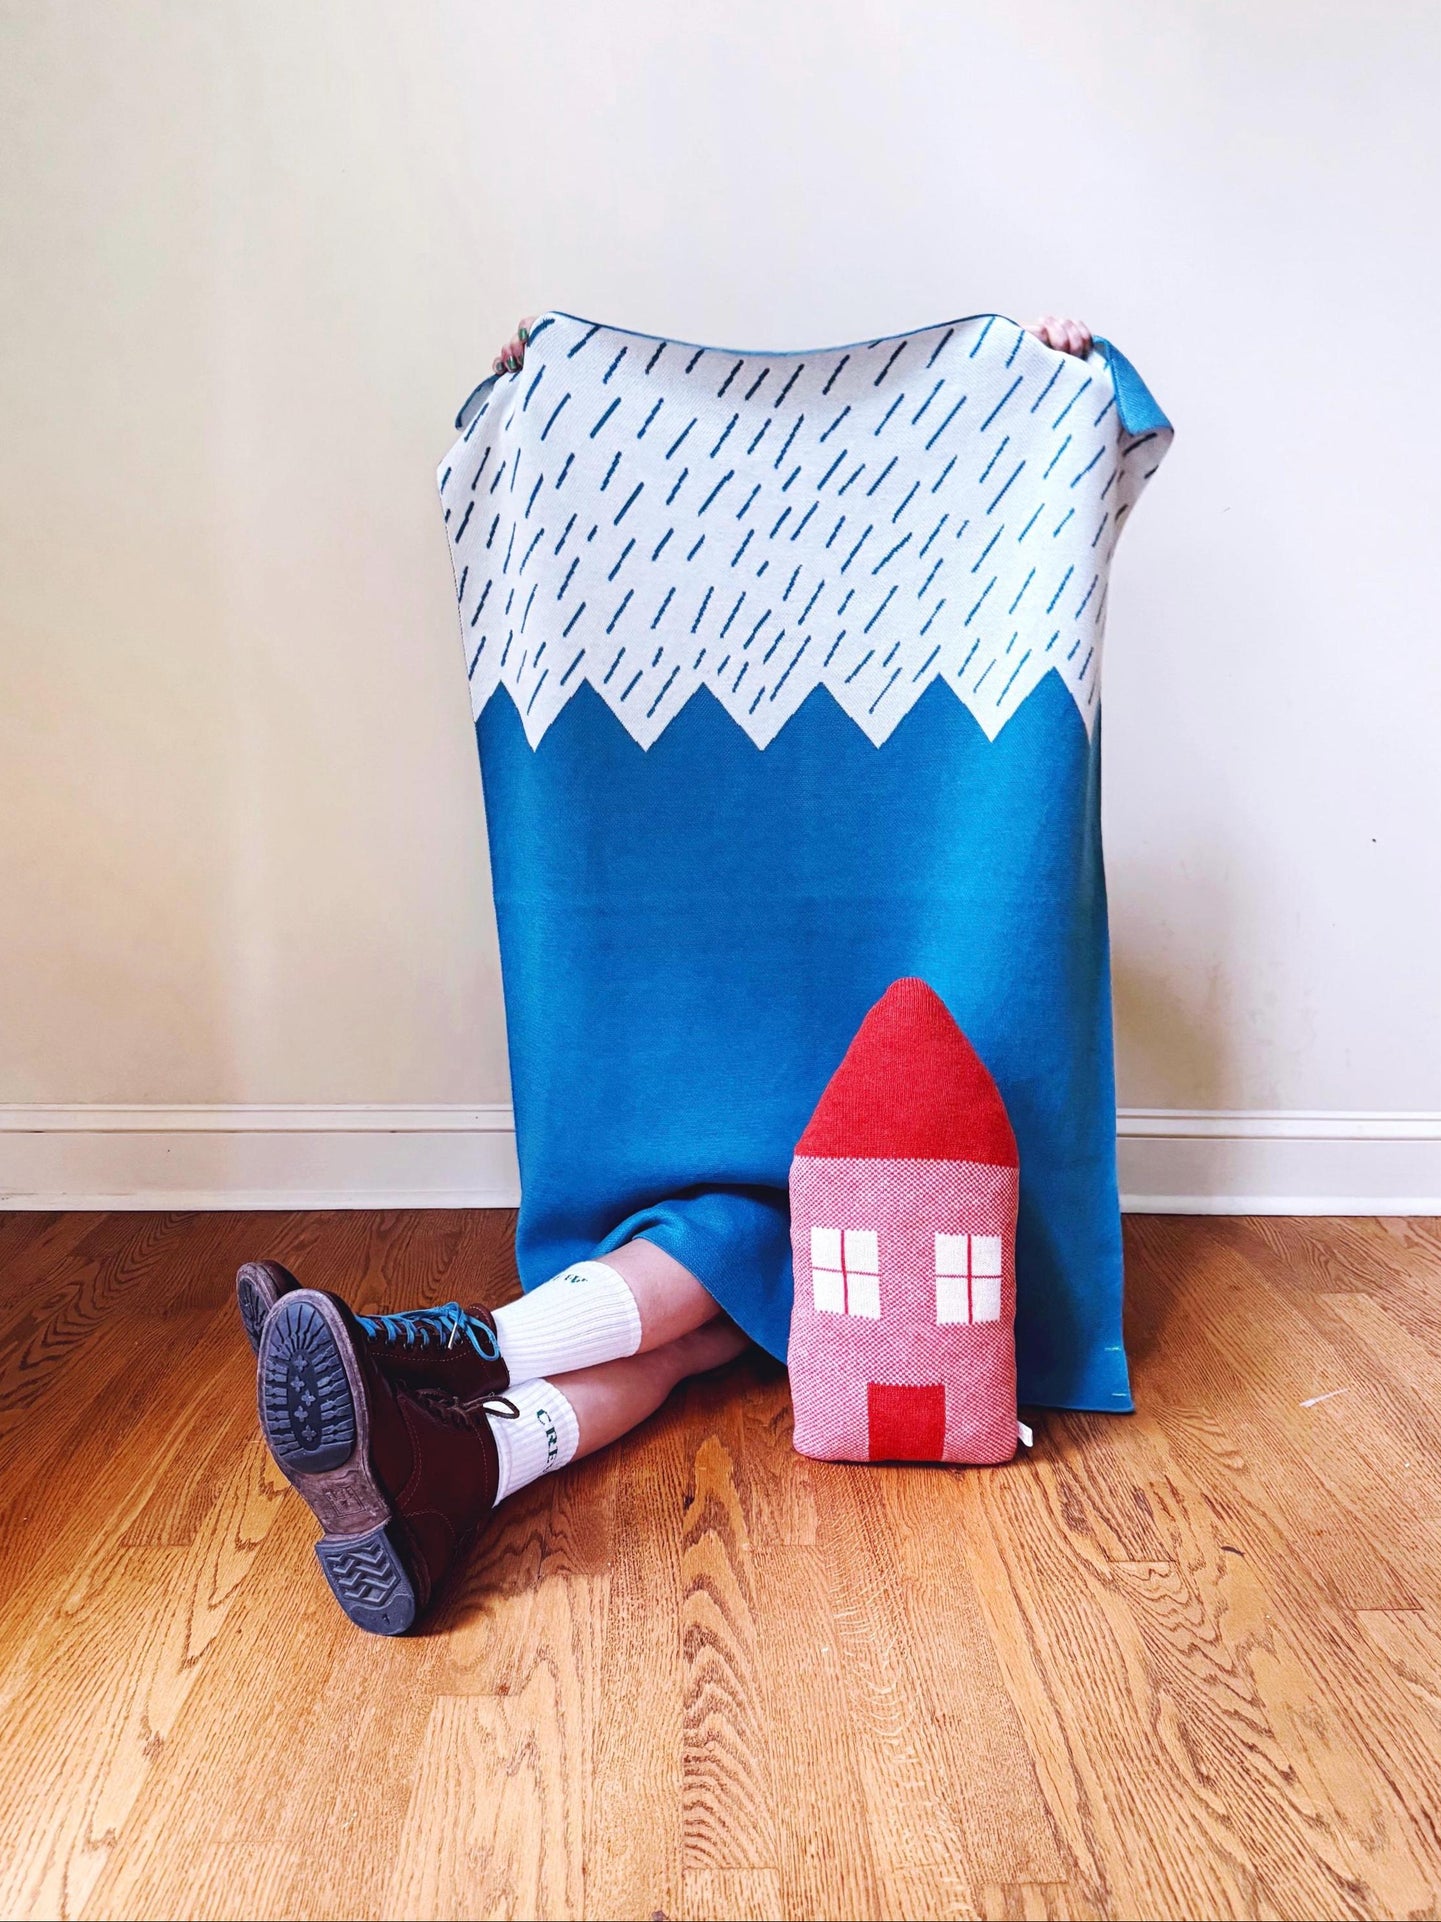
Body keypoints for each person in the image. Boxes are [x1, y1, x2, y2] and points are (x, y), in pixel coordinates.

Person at [243, 308, 1099, 1637]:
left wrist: (1060, 381)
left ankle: (436, 1369)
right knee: (693, 1320)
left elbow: (1118, 443)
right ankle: (446, 1456)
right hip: (777, 1240)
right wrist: (524, 420)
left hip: (837, 1199)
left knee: (703, 1270)